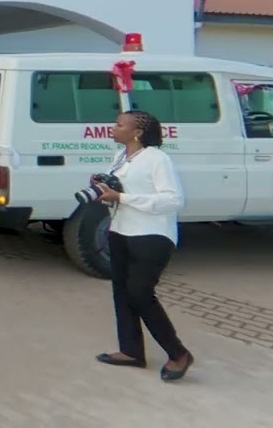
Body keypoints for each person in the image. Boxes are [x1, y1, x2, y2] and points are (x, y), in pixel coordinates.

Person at [92, 109, 194, 382]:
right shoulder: (121, 157)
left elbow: (173, 200)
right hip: (121, 231)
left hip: (151, 236)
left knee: (139, 293)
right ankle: (131, 351)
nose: (113, 127)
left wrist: (123, 197)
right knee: (121, 293)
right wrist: (105, 190)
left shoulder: (158, 159)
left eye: (119, 124)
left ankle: (178, 353)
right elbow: (121, 194)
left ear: (137, 132)